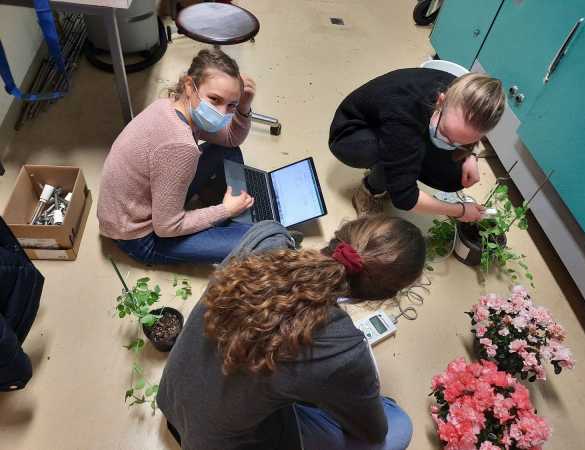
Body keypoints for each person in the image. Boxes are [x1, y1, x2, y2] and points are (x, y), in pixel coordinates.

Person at [157, 215, 426, 450]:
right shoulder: (344, 348)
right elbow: (373, 431)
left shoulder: (267, 236)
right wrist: (361, 384)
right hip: (218, 444)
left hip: (171, 396)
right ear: (385, 295)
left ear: (345, 232)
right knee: (399, 426)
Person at [97, 48, 257, 265]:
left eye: (231, 105)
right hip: (139, 236)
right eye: (215, 99)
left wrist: (244, 106)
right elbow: (166, 227)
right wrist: (224, 210)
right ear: (190, 86)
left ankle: (223, 211)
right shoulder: (180, 147)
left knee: (227, 151)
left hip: (138, 205)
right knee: (267, 239)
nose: (222, 112)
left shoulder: (170, 105)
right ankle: (227, 212)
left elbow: (230, 140)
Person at [329, 68, 505, 221]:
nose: (450, 143)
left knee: (453, 178)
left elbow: (466, 131)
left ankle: (404, 163)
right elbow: (405, 198)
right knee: (388, 156)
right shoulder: (403, 115)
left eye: (460, 141)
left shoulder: (463, 93)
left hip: (402, 124)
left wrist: (470, 155)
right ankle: (368, 191)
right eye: (446, 133)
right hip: (352, 132)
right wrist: (460, 211)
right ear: (441, 102)